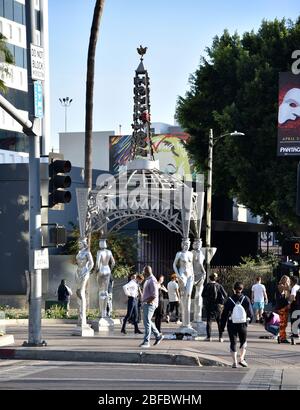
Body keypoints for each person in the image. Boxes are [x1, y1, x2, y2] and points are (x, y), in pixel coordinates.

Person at [220, 282, 253, 368]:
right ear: (242, 289)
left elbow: (224, 315)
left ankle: (234, 362)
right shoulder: (246, 299)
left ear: (233, 289)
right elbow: (251, 314)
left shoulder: (229, 300)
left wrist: (222, 327)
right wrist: (249, 320)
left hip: (231, 324)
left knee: (233, 342)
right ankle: (241, 359)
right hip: (243, 324)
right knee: (243, 342)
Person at [139, 266, 163, 348]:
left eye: (143, 271)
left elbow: (154, 295)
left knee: (147, 323)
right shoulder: (148, 279)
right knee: (148, 321)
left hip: (150, 304)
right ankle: (158, 336)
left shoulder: (152, 280)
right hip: (147, 303)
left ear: (147, 272)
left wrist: (147, 302)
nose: (143, 273)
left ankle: (146, 342)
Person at [173, 237, 194, 327]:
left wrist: (193, 274)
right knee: (183, 295)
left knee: (188, 295)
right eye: (185, 244)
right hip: (182, 274)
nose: (186, 246)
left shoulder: (191, 253)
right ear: (182, 245)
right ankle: (183, 319)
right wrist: (177, 274)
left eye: (188, 245)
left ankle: (187, 321)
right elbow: (174, 264)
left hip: (190, 275)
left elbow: (191, 265)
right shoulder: (179, 254)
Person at [202, 273, 227, 342]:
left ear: (210, 278)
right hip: (218, 306)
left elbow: (203, 294)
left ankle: (209, 337)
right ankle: (220, 337)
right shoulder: (219, 286)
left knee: (209, 321)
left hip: (209, 305)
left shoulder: (207, 285)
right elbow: (225, 294)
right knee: (219, 321)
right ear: (216, 278)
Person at [75, 238, 94, 326]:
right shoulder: (79, 252)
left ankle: (83, 316)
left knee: (81, 292)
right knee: (77, 292)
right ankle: (79, 314)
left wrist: (87, 271)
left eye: (80, 243)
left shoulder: (87, 252)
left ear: (84, 244)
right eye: (78, 243)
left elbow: (92, 263)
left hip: (84, 271)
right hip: (78, 272)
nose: (79, 245)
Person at [95, 239, 115, 319]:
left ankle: (102, 312)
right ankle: (105, 312)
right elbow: (113, 262)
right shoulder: (109, 252)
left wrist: (96, 271)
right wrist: (110, 269)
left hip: (101, 270)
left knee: (101, 291)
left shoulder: (99, 252)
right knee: (106, 291)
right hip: (108, 270)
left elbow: (97, 263)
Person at [192, 238, 206, 323]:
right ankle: (197, 317)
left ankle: (197, 317)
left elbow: (200, 263)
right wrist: (204, 271)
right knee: (197, 295)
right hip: (197, 274)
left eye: (199, 243)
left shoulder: (196, 252)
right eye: (197, 243)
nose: (198, 245)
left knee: (197, 295)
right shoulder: (195, 253)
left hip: (196, 274)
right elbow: (200, 263)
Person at [275, 275, 291, 344]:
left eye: (287, 280)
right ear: (282, 280)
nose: (286, 281)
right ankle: (282, 338)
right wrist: (287, 284)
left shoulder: (285, 288)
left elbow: (288, 297)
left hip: (284, 307)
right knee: (282, 323)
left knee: (284, 324)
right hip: (281, 308)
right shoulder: (280, 286)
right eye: (285, 280)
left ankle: (282, 336)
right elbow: (288, 288)